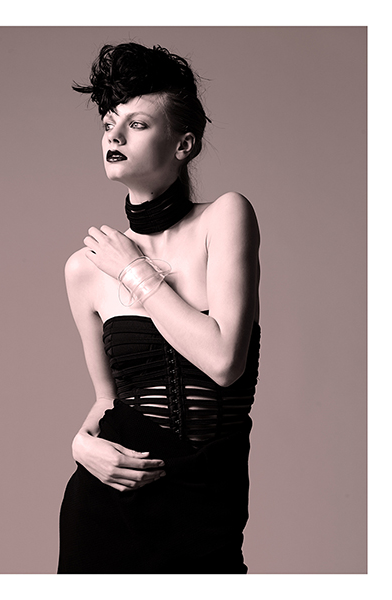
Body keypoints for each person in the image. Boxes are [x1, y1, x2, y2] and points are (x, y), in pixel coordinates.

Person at [57, 42, 261, 574]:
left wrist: (134, 271)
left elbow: (224, 363)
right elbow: (106, 401)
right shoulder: (84, 269)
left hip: (206, 504)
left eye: (138, 124)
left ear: (183, 143)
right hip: (107, 508)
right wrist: (80, 446)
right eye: (109, 124)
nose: (114, 136)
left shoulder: (225, 217)